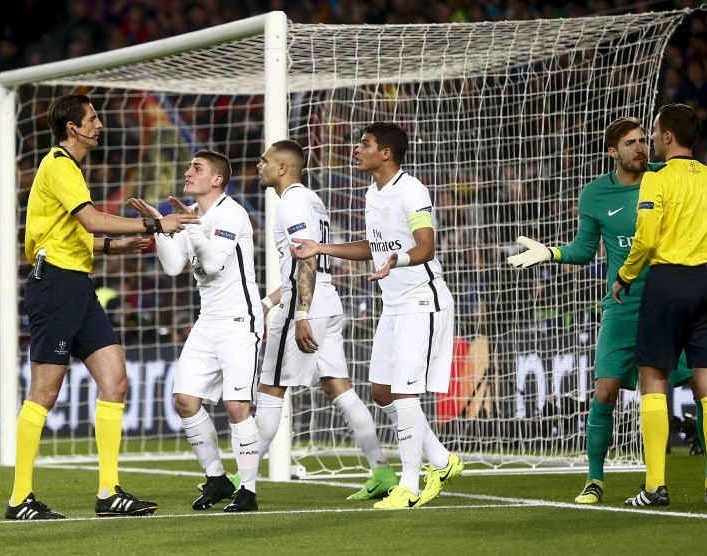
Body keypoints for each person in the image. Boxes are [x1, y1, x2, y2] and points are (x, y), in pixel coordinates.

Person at [507, 117, 707, 505]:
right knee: (605, 391)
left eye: (644, 140)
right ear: (613, 152)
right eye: (630, 143)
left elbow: (699, 220)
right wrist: (551, 252)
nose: (640, 147)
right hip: (624, 307)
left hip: (663, 294)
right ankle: (595, 480)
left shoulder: (663, 175)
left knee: (694, 384)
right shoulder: (594, 195)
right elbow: (585, 250)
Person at [8, 92, 199, 520]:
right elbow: (91, 219)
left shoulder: (70, 169)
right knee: (45, 392)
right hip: (54, 285)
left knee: (116, 380)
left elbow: (82, 236)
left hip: (76, 284)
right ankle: (20, 498)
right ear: (73, 127)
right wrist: (155, 223)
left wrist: (118, 247)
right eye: (93, 119)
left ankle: (109, 491)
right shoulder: (58, 164)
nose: (100, 124)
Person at [292, 122, 464, 509]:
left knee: (404, 392)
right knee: (382, 392)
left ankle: (408, 485)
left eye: (365, 144)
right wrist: (321, 247)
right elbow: (373, 245)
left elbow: (426, 247)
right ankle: (441, 460)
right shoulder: (373, 193)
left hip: (423, 300)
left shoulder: (412, 190)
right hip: (394, 304)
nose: (357, 149)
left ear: (385, 153)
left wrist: (397, 260)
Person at [255, 139, 397, 500]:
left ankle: (240, 479)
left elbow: (307, 260)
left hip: (308, 306)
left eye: (265, 160)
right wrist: (266, 301)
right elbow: (300, 264)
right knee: (340, 389)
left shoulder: (292, 203)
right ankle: (381, 470)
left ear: (283, 167)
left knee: (271, 389)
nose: (259, 166)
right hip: (329, 302)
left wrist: (300, 311)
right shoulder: (312, 201)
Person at [612, 103, 707, 506]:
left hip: (668, 282)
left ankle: (654, 487)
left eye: (653, 132)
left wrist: (626, 275)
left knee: (654, 379)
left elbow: (646, 239)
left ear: (667, 137)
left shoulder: (657, 179)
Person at [128, 149, 263, 513]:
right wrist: (159, 225)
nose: (188, 172)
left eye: (197, 168)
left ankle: (247, 492)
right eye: (189, 166)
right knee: (185, 401)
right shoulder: (192, 215)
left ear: (217, 179)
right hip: (208, 321)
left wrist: (191, 226)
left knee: (237, 407)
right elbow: (174, 267)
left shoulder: (231, 213)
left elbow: (215, 262)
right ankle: (217, 478)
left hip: (239, 321)